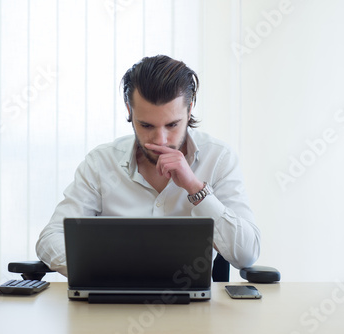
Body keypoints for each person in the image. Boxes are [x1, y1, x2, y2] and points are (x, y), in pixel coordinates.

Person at [36, 55, 260, 277]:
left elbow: (246, 254)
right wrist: (105, 271)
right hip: (111, 304)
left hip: (192, 307)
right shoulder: (101, 163)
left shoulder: (219, 159)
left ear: (189, 109)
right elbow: (51, 238)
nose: (160, 140)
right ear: (129, 110)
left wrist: (195, 188)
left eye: (172, 124)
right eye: (146, 125)